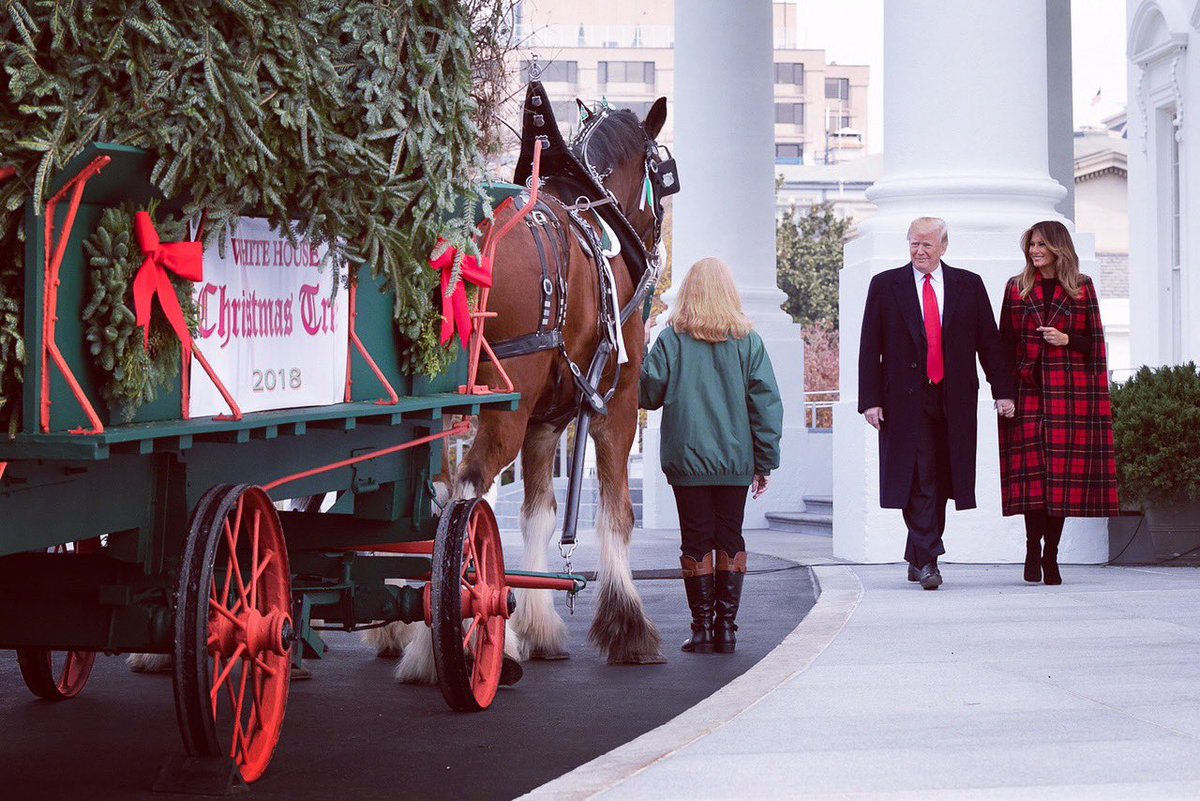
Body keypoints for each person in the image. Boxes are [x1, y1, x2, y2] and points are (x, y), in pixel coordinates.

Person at [858, 217, 1015, 590]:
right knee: (918, 475)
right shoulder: (885, 285)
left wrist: (1003, 390)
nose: (919, 252)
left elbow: (989, 344)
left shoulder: (969, 285)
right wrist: (870, 400)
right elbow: (870, 347)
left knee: (943, 478)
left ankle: (916, 555)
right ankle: (929, 560)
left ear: (944, 247)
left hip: (954, 397)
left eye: (928, 245)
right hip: (904, 400)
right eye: (914, 244)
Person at [639, 257, 782, 654]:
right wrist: (764, 460)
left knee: (696, 539)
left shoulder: (671, 339)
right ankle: (728, 629)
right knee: (729, 537)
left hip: (688, 460)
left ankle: (701, 629)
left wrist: (640, 344)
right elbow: (766, 404)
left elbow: (647, 395)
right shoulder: (748, 341)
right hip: (736, 461)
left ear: (688, 291)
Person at [998, 221, 1119, 585]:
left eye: (1041, 244)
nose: (1035, 251)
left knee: (1060, 482)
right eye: (1031, 245)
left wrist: (1067, 340)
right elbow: (1003, 344)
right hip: (1028, 391)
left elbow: (1094, 343)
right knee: (1034, 480)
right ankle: (1031, 547)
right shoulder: (1016, 288)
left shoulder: (1082, 288)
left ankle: (1051, 555)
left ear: (1058, 248)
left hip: (1070, 394)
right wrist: (1002, 393)